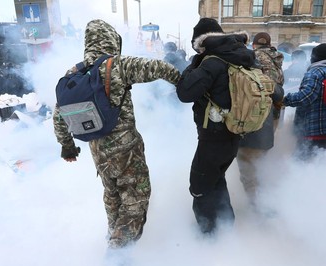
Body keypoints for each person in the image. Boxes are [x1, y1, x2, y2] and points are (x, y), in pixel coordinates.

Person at [53, 19, 181, 250]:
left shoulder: (74, 73)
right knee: (135, 198)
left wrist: (67, 147)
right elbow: (160, 68)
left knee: (112, 195)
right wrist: (183, 84)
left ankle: (113, 234)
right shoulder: (117, 65)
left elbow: (59, 116)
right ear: (112, 40)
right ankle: (118, 254)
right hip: (126, 148)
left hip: (97, 150)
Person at [176, 18, 256, 234]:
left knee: (200, 186)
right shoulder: (241, 56)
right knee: (216, 179)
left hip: (214, 136)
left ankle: (209, 234)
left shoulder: (212, 61)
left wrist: (193, 65)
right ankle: (225, 226)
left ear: (200, 42)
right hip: (234, 132)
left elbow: (184, 93)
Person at [236, 32, 284, 206]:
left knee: (248, 166)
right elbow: (278, 92)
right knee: (260, 163)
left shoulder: (252, 61)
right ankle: (264, 201)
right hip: (271, 118)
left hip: (254, 121)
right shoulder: (277, 58)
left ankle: (258, 207)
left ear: (254, 45)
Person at [282, 43, 326, 160]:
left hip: (313, 129)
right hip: (323, 129)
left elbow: (305, 97)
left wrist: (284, 99)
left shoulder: (315, 72)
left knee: (303, 163)